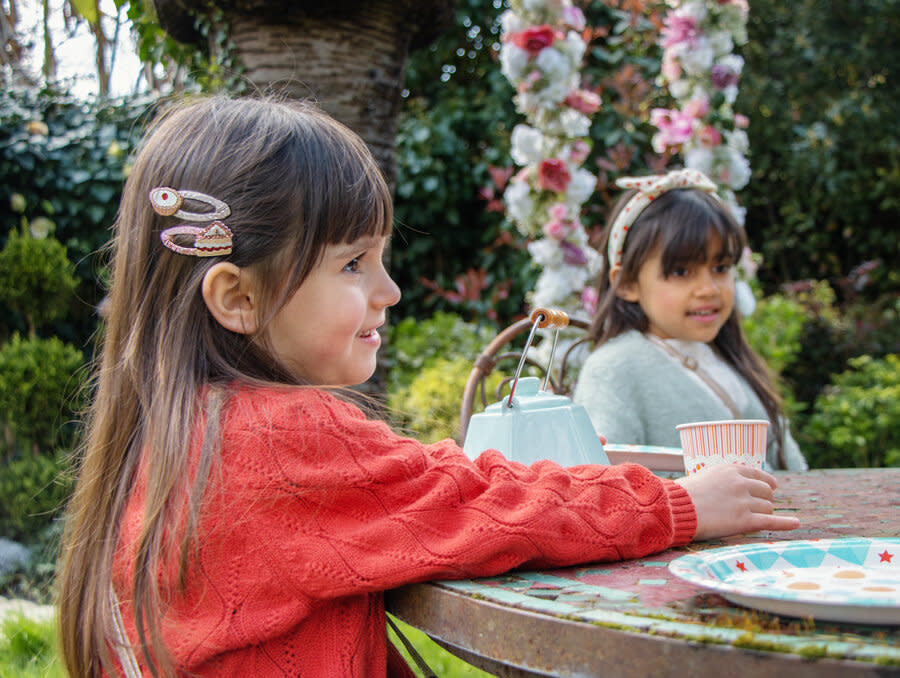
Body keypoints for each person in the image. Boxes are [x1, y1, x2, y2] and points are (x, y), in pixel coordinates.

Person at [56, 97, 800, 678]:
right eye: (354, 265)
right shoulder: (281, 437)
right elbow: (483, 502)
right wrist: (676, 504)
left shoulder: (173, 430)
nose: (391, 290)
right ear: (236, 297)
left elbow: (446, 490)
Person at [573, 169, 807, 471]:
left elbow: (796, 472)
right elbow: (604, 488)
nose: (709, 289)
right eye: (682, 272)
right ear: (627, 284)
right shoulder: (613, 371)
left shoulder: (726, 357)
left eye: (721, 267)